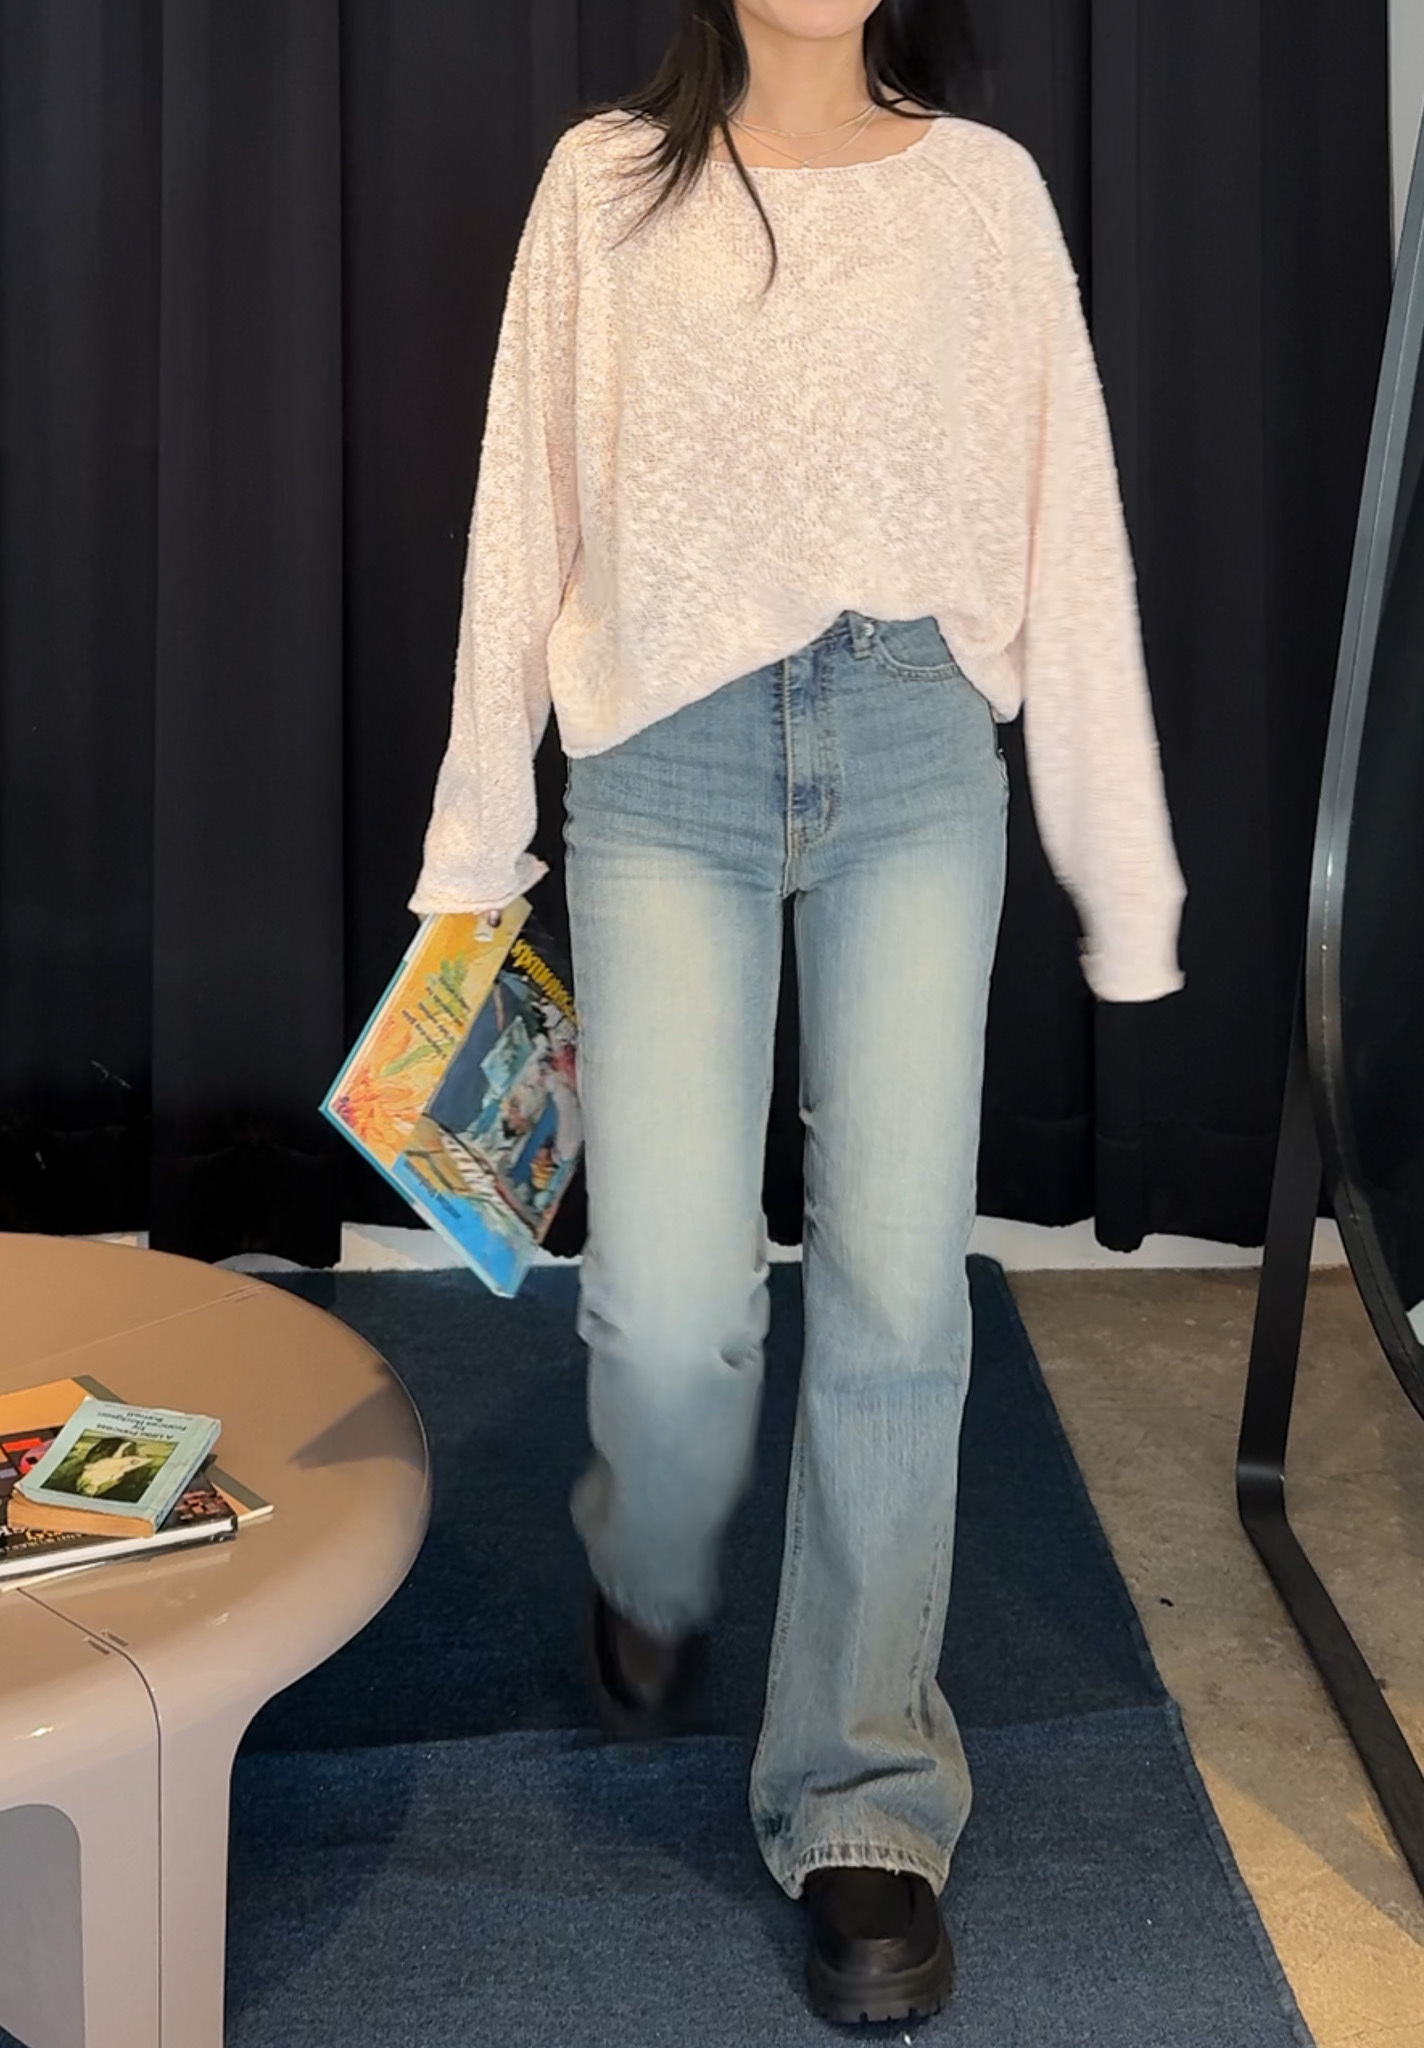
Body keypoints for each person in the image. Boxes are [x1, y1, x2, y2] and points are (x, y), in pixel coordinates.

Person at [408, 0, 1187, 2025]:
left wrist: (1127, 878)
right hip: (663, 757)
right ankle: (656, 1542)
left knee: (899, 1290)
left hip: (916, 745)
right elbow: (521, 514)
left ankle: (865, 1797)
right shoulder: (604, 187)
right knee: (673, 1302)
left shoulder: (984, 198)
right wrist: (476, 848)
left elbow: (1072, 533)